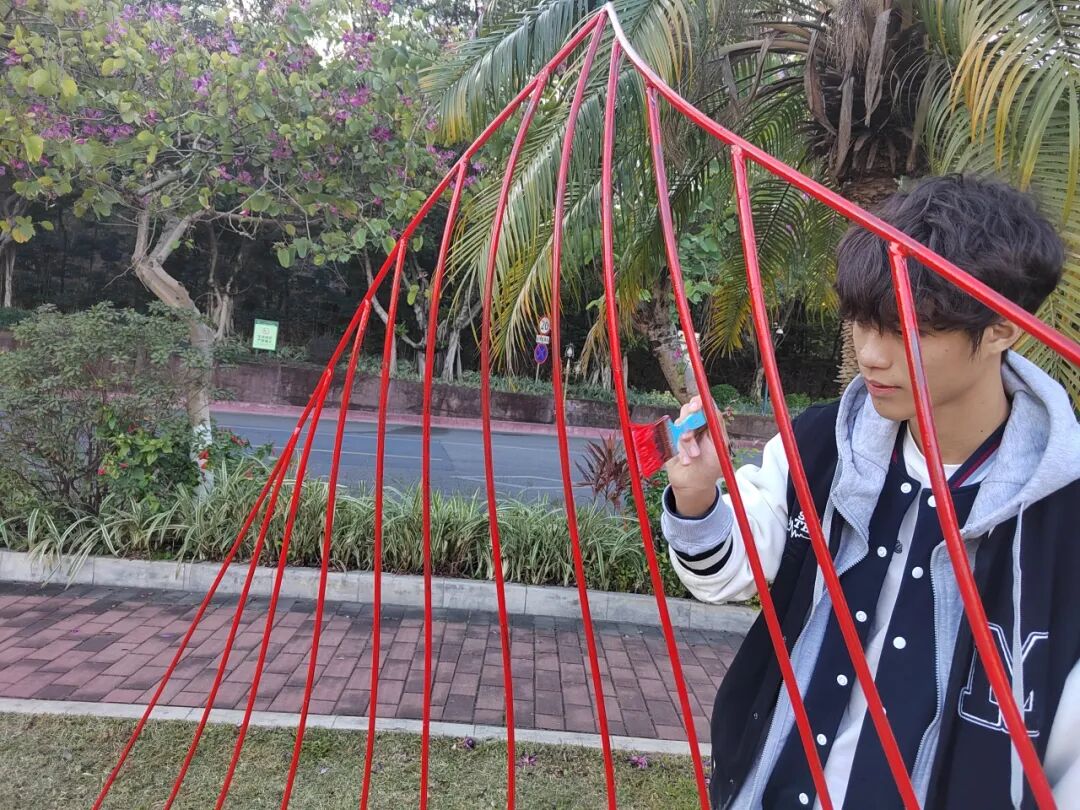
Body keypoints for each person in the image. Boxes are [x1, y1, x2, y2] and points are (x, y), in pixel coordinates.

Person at [661, 175, 1080, 809]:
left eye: (907, 328)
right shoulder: (823, 444)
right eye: (861, 322)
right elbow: (727, 571)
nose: (870, 355)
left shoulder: (1062, 512)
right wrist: (697, 496)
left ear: (1001, 327)